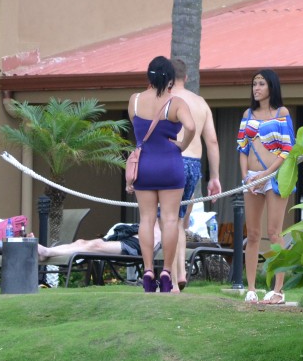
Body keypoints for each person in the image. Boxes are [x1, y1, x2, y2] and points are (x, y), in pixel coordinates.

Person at [128, 56, 196, 293]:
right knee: (169, 219)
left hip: (145, 165)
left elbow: (137, 131)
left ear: (149, 76)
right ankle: (167, 272)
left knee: (146, 219)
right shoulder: (175, 103)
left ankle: (148, 272)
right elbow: (191, 127)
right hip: (170, 164)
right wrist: (181, 146)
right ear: (170, 79)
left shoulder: (135, 101)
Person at [237, 68, 295, 304]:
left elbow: (287, 150)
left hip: (275, 176)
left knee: (273, 232)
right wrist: (246, 177)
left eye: (261, 83)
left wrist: (265, 173)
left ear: (271, 86)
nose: (256, 88)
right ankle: (251, 288)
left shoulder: (282, 112)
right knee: (252, 234)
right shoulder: (247, 113)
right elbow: (242, 148)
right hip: (251, 178)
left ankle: (278, 290)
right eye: (254, 84)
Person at [169, 58, 222, 290]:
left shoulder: (166, 100)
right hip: (193, 165)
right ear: (186, 77)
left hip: (171, 160)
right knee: (180, 223)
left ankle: (171, 278)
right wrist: (215, 177)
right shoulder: (200, 102)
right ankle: (180, 272)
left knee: (169, 221)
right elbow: (212, 140)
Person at [35, 222, 160, 260]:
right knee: (81, 242)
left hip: (137, 244)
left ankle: (46, 252)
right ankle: (47, 251)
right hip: (130, 234)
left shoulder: (169, 211)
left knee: (95, 246)